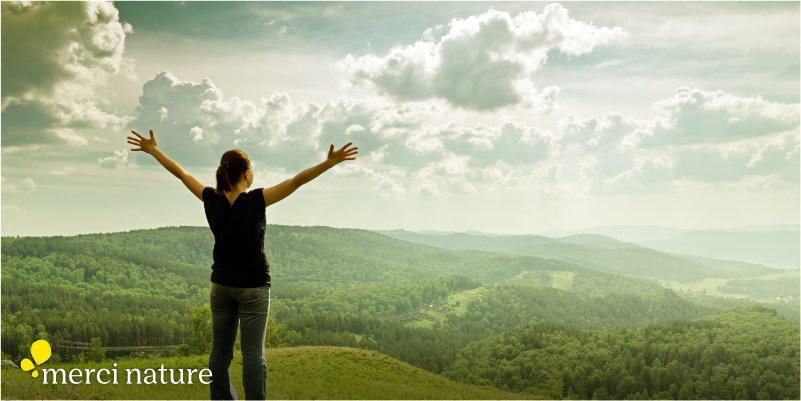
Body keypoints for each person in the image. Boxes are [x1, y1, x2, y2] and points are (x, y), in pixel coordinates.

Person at [126, 129, 358, 400]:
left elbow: (181, 175)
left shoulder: (210, 199)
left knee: (218, 354)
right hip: (253, 287)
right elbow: (295, 182)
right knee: (252, 357)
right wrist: (328, 164)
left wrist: (154, 151)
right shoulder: (256, 200)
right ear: (246, 172)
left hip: (220, 287)